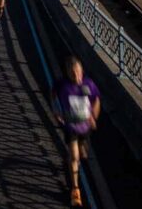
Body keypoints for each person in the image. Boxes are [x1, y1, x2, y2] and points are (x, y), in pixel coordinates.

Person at [52, 57, 101, 207]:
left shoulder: (89, 84)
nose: (77, 76)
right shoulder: (62, 85)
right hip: (71, 126)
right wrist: (57, 112)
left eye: (79, 72)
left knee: (84, 153)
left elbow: (96, 100)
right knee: (75, 157)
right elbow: (53, 96)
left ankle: (81, 148)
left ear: (82, 71)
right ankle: (75, 189)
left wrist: (93, 116)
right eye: (73, 73)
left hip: (85, 126)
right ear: (67, 73)